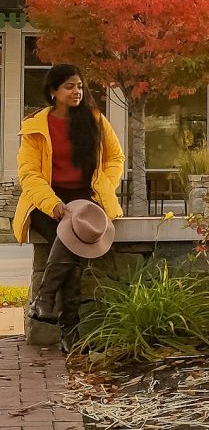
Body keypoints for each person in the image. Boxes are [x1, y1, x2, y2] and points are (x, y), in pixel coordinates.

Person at [13, 64, 124, 348]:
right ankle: (69, 332)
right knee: (71, 248)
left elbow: (116, 158)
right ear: (53, 91)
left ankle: (45, 299)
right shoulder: (36, 125)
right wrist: (54, 205)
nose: (77, 92)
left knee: (70, 251)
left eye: (79, 86)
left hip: (86, 199)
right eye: (69, 87)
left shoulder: (95, 120)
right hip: (47, 201)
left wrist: (104, 188)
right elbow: (30, 175)